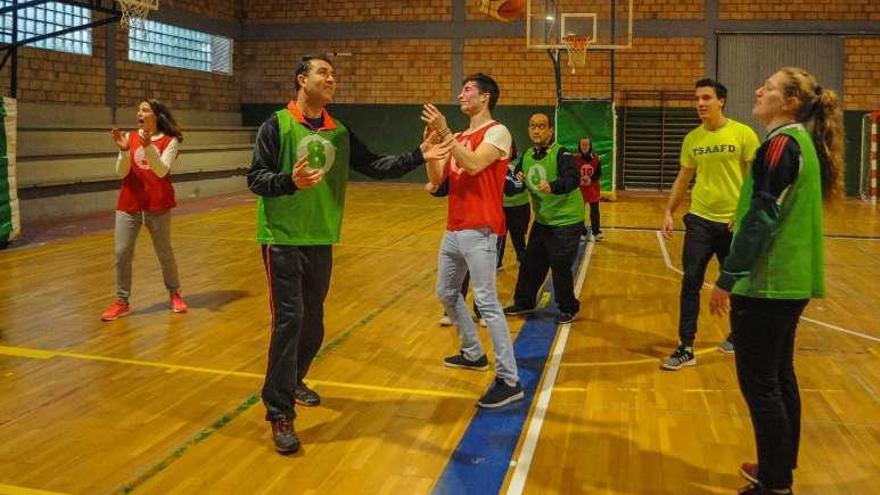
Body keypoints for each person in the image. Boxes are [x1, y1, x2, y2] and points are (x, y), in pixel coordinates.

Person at [247, 54, 447, 454]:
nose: (331, 78)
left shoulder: (339, 130)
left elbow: (375, 165)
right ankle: (279, 411)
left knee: (314, 325)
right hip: (282, 238)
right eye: (324, 72)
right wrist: (290, 180)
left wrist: (417, 154)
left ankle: (294, 378)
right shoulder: (277, 124)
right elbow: (256, 178)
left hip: (321, 238)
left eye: (333, 74)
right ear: (302, 79)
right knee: (290, 321)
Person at [709, 67, 843, 495]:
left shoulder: (780, 144)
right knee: (780, 377)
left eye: (767, 87)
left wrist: (727, 276)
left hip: (768, 283)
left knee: (762, 385)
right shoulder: (799, 142)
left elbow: (764, 218)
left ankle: (774, 483)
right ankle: (777, 467)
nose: (758, 89)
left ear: (788, 102)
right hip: (791, 282)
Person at [421, 73, 524, 409]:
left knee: (487, 302)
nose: (461, 94)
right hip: (454, 228)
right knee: (446, 292)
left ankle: (510, 380)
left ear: (485, 98)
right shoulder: (460, 137)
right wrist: (430, 155)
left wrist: (447, 135)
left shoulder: (498, 132)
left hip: (481, 228)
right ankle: (473, 352)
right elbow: (439, 183)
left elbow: (477, 164)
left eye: (467, 90)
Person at [661, 78, 761, 370]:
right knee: (690, 281)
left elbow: (756, 178)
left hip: (733, 223)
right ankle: (685, 346)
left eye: (706, 98)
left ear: (721, 101)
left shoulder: (743, 134)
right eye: (697, 99)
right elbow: (684, 177)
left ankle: (739, 335)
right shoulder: (693, 138)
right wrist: (669, 210)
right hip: (700, 221)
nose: (700, 103)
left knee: (738, 284)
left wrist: (742, 212)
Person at [100, 99, 188, 321]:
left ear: (156, 116)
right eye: (139, 109)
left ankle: (174, 293)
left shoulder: (171, 140)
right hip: (129, 203)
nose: (139, 113)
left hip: (157, 204)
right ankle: (122, 301)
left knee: (164, 252)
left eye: (145, 110)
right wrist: (124, 151)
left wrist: (148, 146)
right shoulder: (129, 137)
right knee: (122, 253)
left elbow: (160, 171)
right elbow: (121, 173)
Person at [503, 112, 583, 324]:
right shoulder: (527, 155)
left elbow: (573, 179)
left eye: (541, 126)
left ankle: (568, 308)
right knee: (530, 264)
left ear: (550, 130)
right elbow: (518, 171)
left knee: (559, 265)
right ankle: (524, 302)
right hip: (543, 221)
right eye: (532, 126)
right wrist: (518, 174)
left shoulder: (562, 154)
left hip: (566, 221)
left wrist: (553, 186)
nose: (536, 130)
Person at [501, 142, 530, 264]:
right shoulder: (496, 163)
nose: (508, 151)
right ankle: (497, 263)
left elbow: (526, 181)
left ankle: (522, 259)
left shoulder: (522, 160)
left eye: (510, 148)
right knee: (500, 237)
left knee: (519, 236)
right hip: (502, 207)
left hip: (520, 207)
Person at [576, 136, 604, 241]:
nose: (584, 146)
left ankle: (596, 232)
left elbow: (598, 173)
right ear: (579, 146)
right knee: (579, 211)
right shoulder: (575, 159)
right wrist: (579, 179)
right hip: (580, 189)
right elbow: (573, 172)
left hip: (593, 188)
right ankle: (581, 231)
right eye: (582, 144)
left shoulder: (596, 158)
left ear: (590, 146)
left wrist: (591, 179)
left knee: (594, 211)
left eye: (586, 144)